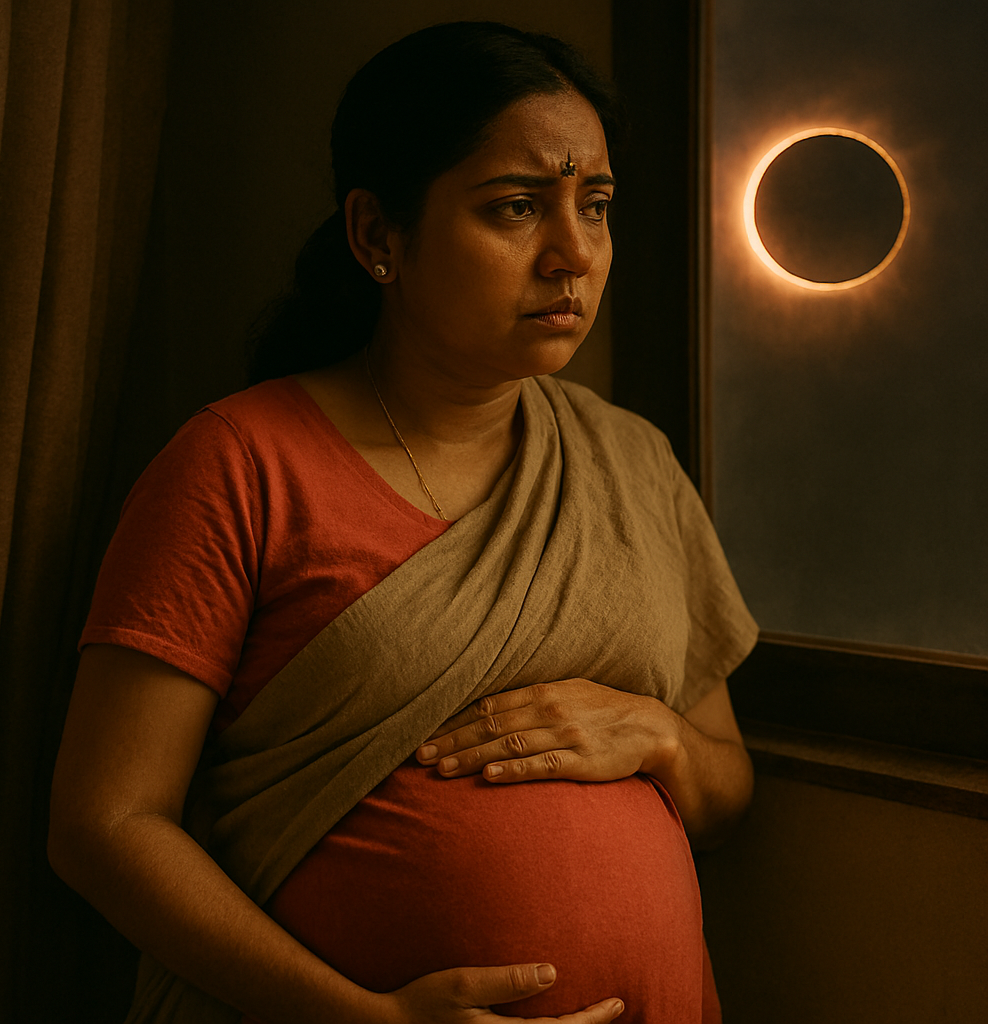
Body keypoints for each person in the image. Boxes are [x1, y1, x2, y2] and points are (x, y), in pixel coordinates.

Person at [48, 21, 758, 1024]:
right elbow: (103, 822)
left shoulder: (630, 463)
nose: (572, 255)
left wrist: (657, 736)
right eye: (516, 208)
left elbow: (726, 795)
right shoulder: (239, 464)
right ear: (378, 234)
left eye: (593, 205)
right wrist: (362, 1016)